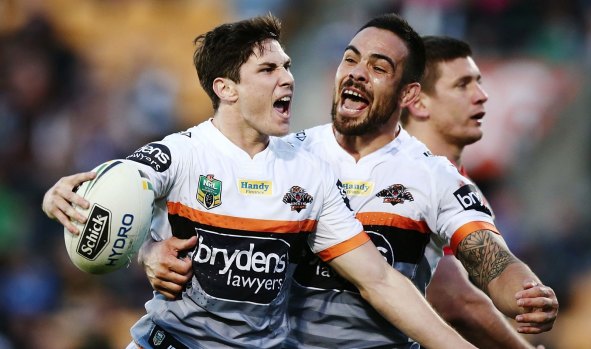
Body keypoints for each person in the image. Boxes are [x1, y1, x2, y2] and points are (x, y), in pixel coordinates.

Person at [41, 14, 477, 349]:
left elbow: (379, 281)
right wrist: (64, 199)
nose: (288, 77)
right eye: (268, 70)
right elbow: (121, 186)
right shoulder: (183, 154)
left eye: (287, 66)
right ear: (226, 88)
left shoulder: (309, 174)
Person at [136, 14, 559, 349]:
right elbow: (194, 216)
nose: (356, 73)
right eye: (350, 58)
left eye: (379, 68)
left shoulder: (434, 178)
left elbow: (485, 259)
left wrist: (526, 294)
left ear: (409, 95)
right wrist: (149, 250)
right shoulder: (287, 155)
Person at [401, 35, 545, 349]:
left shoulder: (450, 179)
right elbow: (454, 300)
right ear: (418, 102)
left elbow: (492, 260)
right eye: (462, 85)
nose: (481, 96)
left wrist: (526, 290)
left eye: (478, 83)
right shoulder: (406, 174)